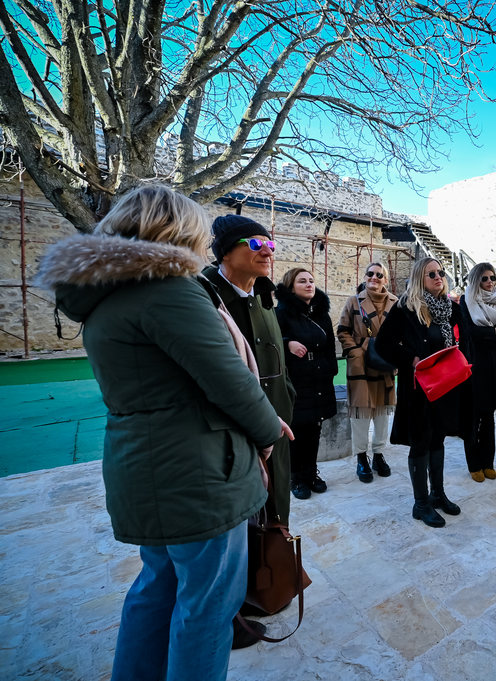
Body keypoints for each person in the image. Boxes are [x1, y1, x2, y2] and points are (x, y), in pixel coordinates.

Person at [37, 185, 290, 681]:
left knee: (158, 589)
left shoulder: (108, 294)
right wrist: (268, 432)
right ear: (179, 231)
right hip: (198, 475)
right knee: (207, 607)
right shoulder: (169, 290)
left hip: (147, 467)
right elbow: (230, 383)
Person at [202, 213, 296, 646]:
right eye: (256, 244)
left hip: (276, 422)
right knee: (240, 519)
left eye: (270, 244)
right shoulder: (205, 295)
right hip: (236, 430)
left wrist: (287, 398)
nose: (267, 251)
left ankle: (268, 582)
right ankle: (233, 608)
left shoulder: (262, 294)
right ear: (226, 251)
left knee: (275, 508)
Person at [374, 258, 465, 528]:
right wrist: (410, 358)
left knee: (438, 438)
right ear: (419, 279)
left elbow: (463, 337)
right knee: (421, 440)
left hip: (445, 383)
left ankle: (438, 494)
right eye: (431, 274)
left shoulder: (450, 307)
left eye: (440, 273)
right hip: (419, 386)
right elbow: (383, 343)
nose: (438, 277)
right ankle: (421, 503)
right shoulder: (406, 306)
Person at [275, 268, 338, 498]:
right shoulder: (281, 313)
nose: (309, 284)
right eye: (302, 281)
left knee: (314, 428)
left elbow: (329, 346)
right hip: (296, 380)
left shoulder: (321, 314)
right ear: (291, 287)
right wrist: (288, 343)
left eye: (311, 280)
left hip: (319, 379)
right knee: (297, 430)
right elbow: (270, 342)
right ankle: (297, 478)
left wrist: (330, 371)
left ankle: (311, 473)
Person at [337, 262, 398, 484]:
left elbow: (401, 333)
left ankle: (379, 455)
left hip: (385, 363)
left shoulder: (395, 303)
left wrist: (396, 354)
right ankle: (361, 457)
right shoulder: (354, 301)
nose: (374, 277)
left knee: (382, 413)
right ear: (365, 276)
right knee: (361, 414)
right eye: (370, 273)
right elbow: (343, 330)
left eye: (379, 275)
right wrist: (355, 351)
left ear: (385, 279)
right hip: (361, 364)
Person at [459, 262, 496, 481]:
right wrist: (494, 331)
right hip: (474, 364)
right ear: (476, 280)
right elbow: (469, 332)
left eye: (492, 277)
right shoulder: (467, 300)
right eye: (484, 278)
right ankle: (474, 464)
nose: (490, 282)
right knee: (473, 416)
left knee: (489, 416)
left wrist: (488, 333)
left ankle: (488, 462)